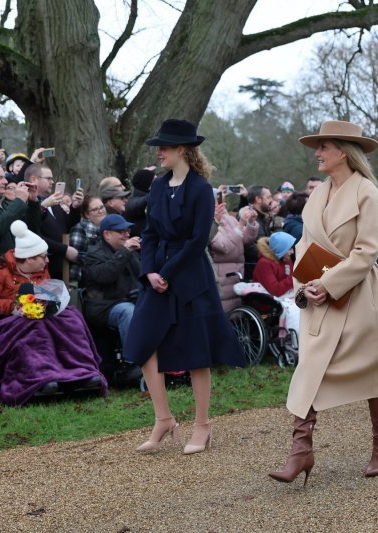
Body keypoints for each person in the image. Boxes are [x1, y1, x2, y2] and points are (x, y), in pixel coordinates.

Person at [269, 120, 378, 484]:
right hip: (321, 297)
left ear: (343, 151)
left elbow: (368, 251)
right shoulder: (318, 194)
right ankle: (301, 450)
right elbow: (304, 248)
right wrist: (304, 285)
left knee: (373, 370)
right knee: (309, 367)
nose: (317, 153)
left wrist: (329, 282)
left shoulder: (366, 192)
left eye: (324, 147)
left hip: (358, 295)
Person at [124, 119, 244, 455]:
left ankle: (203, 425)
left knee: (196, 352)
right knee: (143, 343)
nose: (158, 152)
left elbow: (197, 240)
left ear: (182, 149)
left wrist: (168, 272)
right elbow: (148, 233)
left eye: (164, 147)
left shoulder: (201, 189)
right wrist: (149, 272)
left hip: (190, 277)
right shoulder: (159, 187)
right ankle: (163, 419)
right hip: (156, 275)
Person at [0, 220, 105, 406]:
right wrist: (14, 306)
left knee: (72, 319)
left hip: (39, 318)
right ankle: (41, 377)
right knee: (35, 329)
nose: (47, 260)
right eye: (43, 257)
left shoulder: (41, 272)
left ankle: (82, 372)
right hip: (5, 322)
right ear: (29, 258)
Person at [81, 214, 141, 357]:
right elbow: (105, 275)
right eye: (121, 231)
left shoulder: (130, 251)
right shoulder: (93, 254)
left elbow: (142, 275)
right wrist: (124, 252)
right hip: (104, 306)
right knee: (128, 312)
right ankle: (133, 361)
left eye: (128, 231)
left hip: (130, 299)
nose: (127, 234)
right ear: (107, 235)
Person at [23, 164, 82, 281]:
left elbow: (67, 224)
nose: (52, 182)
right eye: (48, 178)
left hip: (62, 266)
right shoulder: (25, 202)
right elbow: (33, 233)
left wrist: (75, 207)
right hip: (42, 267)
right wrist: (64, 249)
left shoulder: (53, 200)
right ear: (34, 179)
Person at [68, 195, 106, 284]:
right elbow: (76, 256)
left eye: (101, 207)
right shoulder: (80, 228)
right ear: (86, 214)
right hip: (83, 281)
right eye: (95, 209)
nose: (100, 211)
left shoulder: (106, 227)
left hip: (102, 276)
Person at [252, 232, 295, 297]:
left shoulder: (286, 259)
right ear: (280, 250)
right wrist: (294, 277)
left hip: (285, 297)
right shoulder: (264, 264)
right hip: (267, 302)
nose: (292, 252)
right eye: (289, 249)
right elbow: (275, 291)